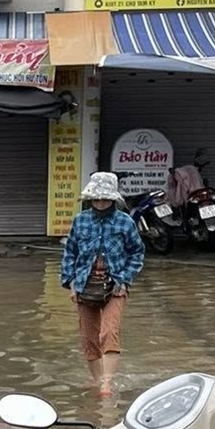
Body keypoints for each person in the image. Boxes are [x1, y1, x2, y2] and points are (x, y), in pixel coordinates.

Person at [60, 171, 145, 399]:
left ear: (113, 200)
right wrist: (70, 283)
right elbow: (70, 252)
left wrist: (125, 279)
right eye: (96, 199)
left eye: (105, 199)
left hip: (115, 286)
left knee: (109, 332)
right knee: (89, 337)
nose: (100, 203)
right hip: (84, 286)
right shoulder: (80, 220)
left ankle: (107, 384)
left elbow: (137, 253)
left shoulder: (124, 222)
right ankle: (97, 380)